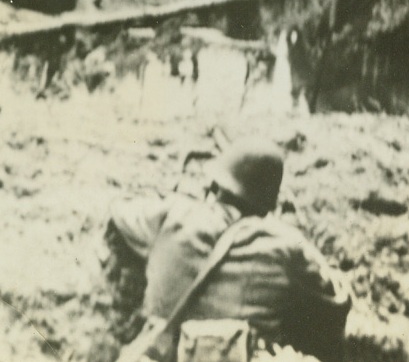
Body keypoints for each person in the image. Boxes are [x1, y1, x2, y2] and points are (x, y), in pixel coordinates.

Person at [109, 137, 351, 362]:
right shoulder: (285, 246)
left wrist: (183, 199)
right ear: (268, 203)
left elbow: (121, 208)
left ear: (215, 184)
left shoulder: (174, 214)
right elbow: (338, 301)